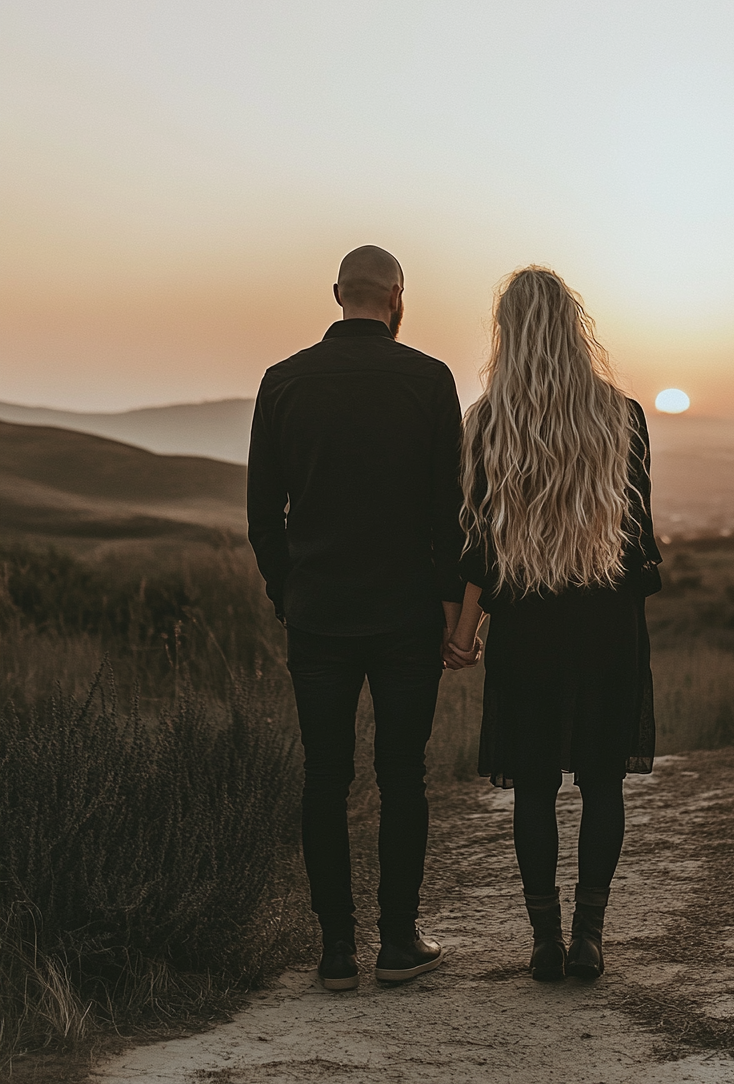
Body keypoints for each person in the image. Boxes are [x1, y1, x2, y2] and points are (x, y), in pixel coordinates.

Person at [247, 244, 475, 991]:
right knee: (402, 775)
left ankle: (336, 951)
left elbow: (261, 516)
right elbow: (450, 509)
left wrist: (290, 594)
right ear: (397, 296)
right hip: (408, 611)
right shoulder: (429, 379)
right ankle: (399, 941)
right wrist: (451, 606)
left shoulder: (282, 382)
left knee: (325, 778)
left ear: (338, 292)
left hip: (319, 615)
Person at [446, 267, 661, 982]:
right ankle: (590, 937)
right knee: (604, 783)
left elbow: (474, 547)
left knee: (534, 786)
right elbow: (638, 545)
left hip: (528, 629)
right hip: (606, 625)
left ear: (508, 331)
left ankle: (543, 940)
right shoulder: (621, 415)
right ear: (574, 328)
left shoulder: (486, 423)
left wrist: (466, 629)